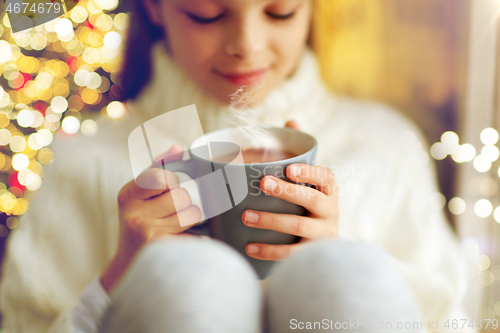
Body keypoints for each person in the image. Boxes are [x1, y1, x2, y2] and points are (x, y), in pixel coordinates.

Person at [0, 0, 473, 332]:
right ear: (154, 6)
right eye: (207, 14)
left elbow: (452, 319)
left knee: (340, 271)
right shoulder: (84, 163)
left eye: (280, 12)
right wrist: (119, 278)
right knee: (187, 281)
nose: (247, 45)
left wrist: (345, 263)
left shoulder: (383, 146)